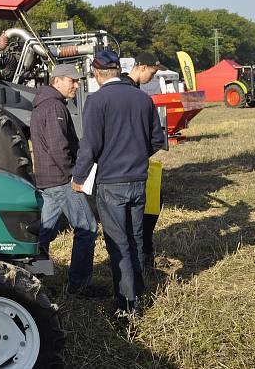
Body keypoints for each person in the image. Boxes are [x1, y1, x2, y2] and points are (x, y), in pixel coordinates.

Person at [71, 51, 164, 317]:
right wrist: (135, 155)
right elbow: (157, 141)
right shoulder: (143, 99)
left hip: (112, 183)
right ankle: (137, 288)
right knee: (135, 238)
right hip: (138, 180)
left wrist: (79, 178)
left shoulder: (97, 100)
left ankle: (127, 305)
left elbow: (90, 146)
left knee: (118, 242)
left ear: (98, 74)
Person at [31, 63, 100, 296]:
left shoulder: (46, 104)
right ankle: (78, 286)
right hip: (61, 179)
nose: (76, 85)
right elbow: (58, 147)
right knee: (87, 227)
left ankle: (32, 278)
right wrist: (75, 176)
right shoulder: (53, 107)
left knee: (44, 231)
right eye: (73, 81)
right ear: (58, 81)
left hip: (48, 179)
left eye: (78, 81)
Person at [122, 51, 167, 268]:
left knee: (153, 202)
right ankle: (140, 261)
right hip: (130, 170)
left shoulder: (131, 91)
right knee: (136, 221)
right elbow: (157, 139)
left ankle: (145, 253)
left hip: (128, 166)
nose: (153, 77)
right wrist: (138, 154)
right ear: (140, 67)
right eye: (152, 71)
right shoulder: (135, 95)